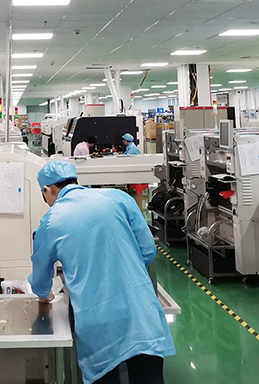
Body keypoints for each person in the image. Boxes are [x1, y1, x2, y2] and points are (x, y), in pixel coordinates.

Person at [29, 161, 174, 384]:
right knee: (148, 377)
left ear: (47, 190)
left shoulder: (50, 222)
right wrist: (122, 268)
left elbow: (40, 280)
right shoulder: (118, 198)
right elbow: (147, 250)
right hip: (141, 313)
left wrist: (44, 295)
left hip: (99, 323)